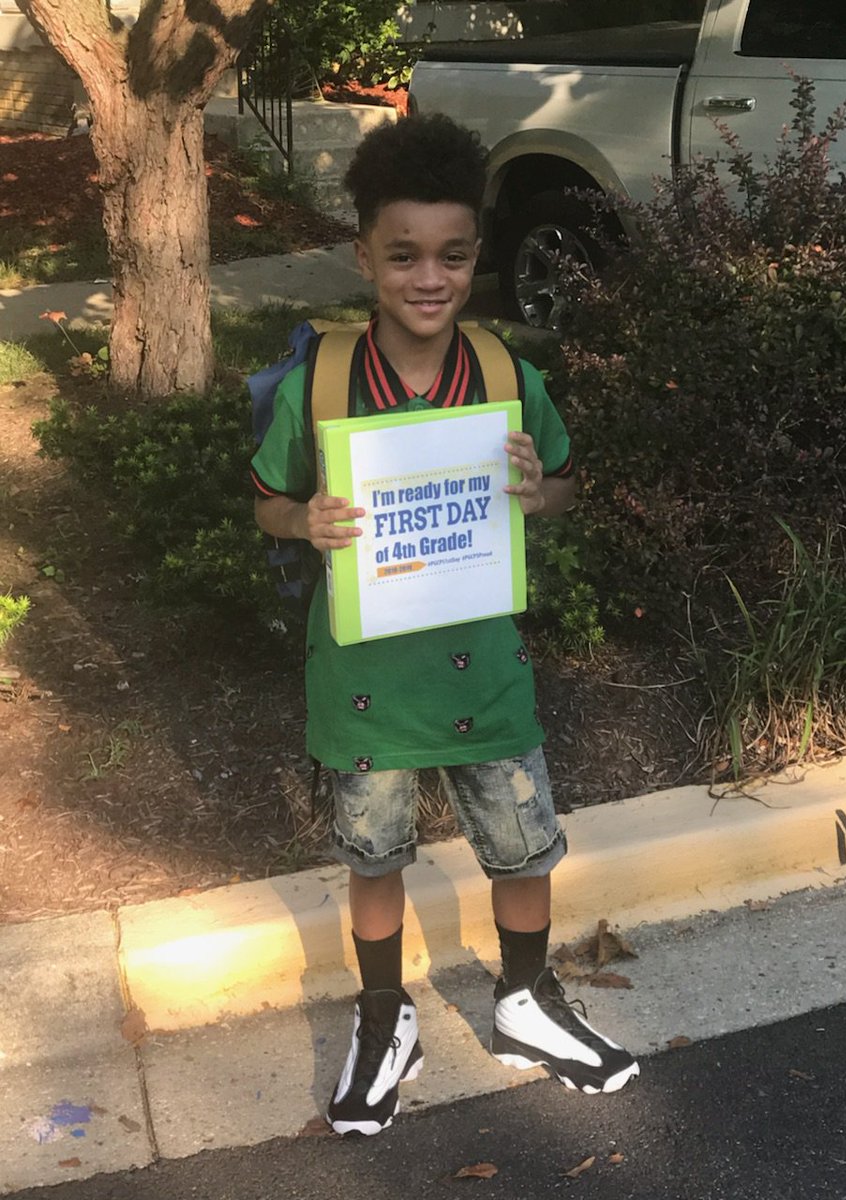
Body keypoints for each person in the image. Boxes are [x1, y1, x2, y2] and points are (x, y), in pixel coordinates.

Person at [251, 113, 639, 1137]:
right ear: (363, 254)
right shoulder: (321, 382)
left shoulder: (508, 377)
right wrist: (306, 519)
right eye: (404, 254)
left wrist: (532, 490)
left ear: (478, 256)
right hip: (367, 679)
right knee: (371, 856)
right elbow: (265, 503)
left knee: (523, 852)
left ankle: (523, 1000)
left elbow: (562, 486)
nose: (431, 277)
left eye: (455, 255)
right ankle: (386, 1017)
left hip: (485, 677)